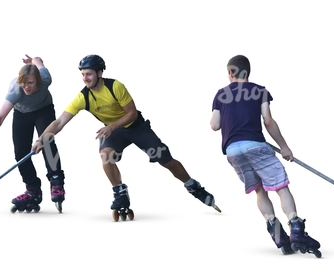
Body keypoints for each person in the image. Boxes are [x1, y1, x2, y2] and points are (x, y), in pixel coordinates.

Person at [31, 54, 220, 221]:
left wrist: (112, 126)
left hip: (137, 128)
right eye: (82, 74)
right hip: (114, 133)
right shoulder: (83, 97)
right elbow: (60, 122)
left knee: (166, 160)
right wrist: (42, 139)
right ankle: (120, 192)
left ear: (99, 73)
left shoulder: (116, 87)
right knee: (106, 155)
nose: (85, 78)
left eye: (88, 74)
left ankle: (193, 185)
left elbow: (132, 114)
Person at [210, 55, 322, 257]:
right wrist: (284, 147)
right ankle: (296, 229)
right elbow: (268, 121)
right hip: (256, 145)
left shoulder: (220, 94)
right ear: (248, 71)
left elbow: (214, 125)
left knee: (260, 191)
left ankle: (276, 232)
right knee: (280, 187)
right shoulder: (259, 91)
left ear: (231, 72)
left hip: (232, 151)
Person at [0, 55, 66, 213]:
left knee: (46, 142)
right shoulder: (16, 90)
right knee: (20, 153)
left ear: (38, 80)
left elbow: (39, 60)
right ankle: (32, 189)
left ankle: (56, 181)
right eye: (24, 83)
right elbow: (0, 115)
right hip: (22, 113)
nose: (27, 86)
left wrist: (33, 61)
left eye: (30, 83)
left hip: (43, 110)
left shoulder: (45, 78)